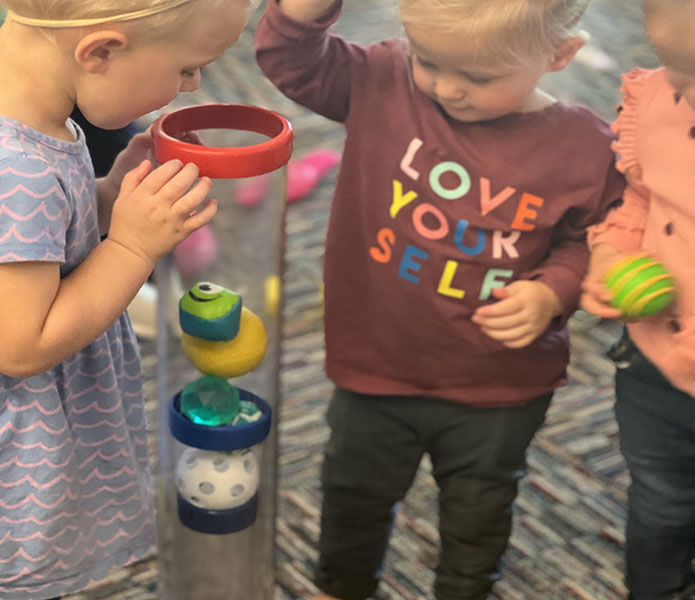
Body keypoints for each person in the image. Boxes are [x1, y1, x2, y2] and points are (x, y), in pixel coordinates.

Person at [255, 0, 625, 598]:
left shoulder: (585, 148)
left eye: (478, 77)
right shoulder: (384, 80)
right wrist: (300, 14)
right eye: (428, 60)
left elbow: (601, 238)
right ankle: (340, 586)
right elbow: (291, 62)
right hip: (376, 364)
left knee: (477, 518)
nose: (447, 88)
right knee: (352, 496)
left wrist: (554, 290)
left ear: (559, 56)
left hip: (498, 386)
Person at [0, 0, 254, 598]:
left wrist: (107, 196)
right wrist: (133, 248)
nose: (194, 85)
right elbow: (21, 343)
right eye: (189, 67)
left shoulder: (35, 119)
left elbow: (32, 240)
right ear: (102, 51)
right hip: (22, 452)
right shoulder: (18, 167)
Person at [580, 0, 695, 598]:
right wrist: (614, 255)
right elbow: (640, 197)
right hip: (656, 368)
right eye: (678, 66)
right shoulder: (656, 102)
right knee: (660, 504)